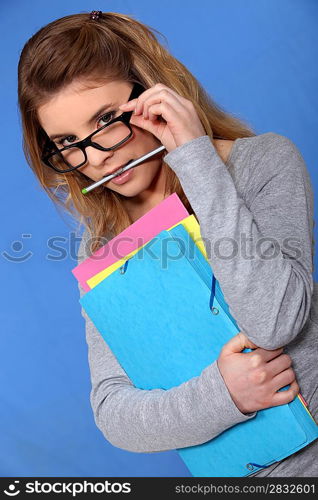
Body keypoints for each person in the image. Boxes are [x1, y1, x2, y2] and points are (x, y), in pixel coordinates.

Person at [17, 11, 318, 477]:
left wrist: (195, 158)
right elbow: (114, 413)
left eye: (106, 120)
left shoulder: (263, 163)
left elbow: (275, 322)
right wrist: (224, 395)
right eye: (68, 143)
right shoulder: (102, 246)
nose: (97, 158)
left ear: (154, 92)